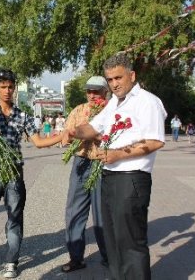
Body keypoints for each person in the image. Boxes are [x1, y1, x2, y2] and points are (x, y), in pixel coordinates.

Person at [66, 54, 166, 280]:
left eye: (118, 78)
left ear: (132, 75)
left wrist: (118, 154)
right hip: (110, 177)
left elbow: (155, 141)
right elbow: (92, 128)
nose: (114, 84)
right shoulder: (114, 103)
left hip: (131, 179)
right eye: (110, 80)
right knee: (112, 241)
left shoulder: (147, 101)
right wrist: (71, 132)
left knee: (130, 243)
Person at [0, 68, 65, 278]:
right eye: (3, 87)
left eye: (10, 86)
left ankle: (11, 261)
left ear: (14, 88)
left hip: (14, 173)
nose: (7, 90)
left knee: (15, 218)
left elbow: (37, 142)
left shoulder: (23, 115)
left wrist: (62, 136)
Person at [61, 76, 109, 273]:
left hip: (103, 164)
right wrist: (68, 135)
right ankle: (76, 257)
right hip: (81, 163)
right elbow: (66, 134)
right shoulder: (79, 110)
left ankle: (108, 256)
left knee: (103, 214)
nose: (92, 95)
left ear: (106, 92)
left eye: (96, 91)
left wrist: (97, 135)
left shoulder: (113, 111)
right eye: (89, 91)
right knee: (74, 211)